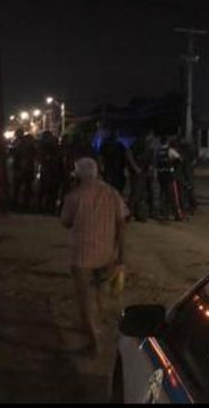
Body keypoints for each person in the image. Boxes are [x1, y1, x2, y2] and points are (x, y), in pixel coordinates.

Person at [60, 157, 129, 356]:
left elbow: (65, 222)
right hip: (108, 254)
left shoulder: (74, 196)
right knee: (101, 295)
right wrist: (122, 257)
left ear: (78, 174)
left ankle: (94, 341)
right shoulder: (112, 193)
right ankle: (99, 327)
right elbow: (122, 225)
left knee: (85, 300)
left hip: (82, 257)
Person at [127, 134, 154, 222]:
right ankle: (129, 214)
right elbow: (129, 153)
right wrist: (135, 167)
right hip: (138, 173)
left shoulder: (148, 147)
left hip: (144, 173)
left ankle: (140, 214)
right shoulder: (139, 143)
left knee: (142, 194)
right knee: (135, 194)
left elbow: (150, 161)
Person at [157, 136, 185, 221]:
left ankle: (163, 213)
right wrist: (173, 164)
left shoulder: (158, 151)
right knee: (173, 195)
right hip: (169, 175)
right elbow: (180, 159)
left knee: (163, 194)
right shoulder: (170, 150)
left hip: (161, 175)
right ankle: (177, 214)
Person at [11, 129, 37, 211]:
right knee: (26, 187)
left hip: (22, 168)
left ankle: (16, 203)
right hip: (27, 168)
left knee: (18, 187)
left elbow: (17, 155)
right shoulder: (27, 143)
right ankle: (25, 204)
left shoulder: (19, 143)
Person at [38, 131, 63, 215]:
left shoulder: (48, 148)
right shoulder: (54, 148)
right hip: (51, 171)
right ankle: (48, 206)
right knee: (50, 190)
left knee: (47, 190)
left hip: (51, 171)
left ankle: (46, 206)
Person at [179, 138, 199, 214]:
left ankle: (190, 204)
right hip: (189, 172)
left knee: (187, 189)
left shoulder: (184, 152)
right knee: (189, 188)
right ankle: (192, 204)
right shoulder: (192, 150)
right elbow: (195, 161)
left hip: (187, 172)